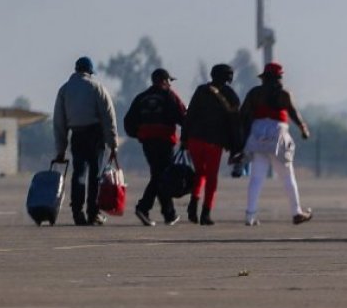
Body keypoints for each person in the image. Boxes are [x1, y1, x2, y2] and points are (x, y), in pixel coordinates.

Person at [239, 62, 313, 226]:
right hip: (278, 133)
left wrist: (242, 137)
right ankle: (296, 212)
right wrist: (303, 128)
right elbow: (293, 112)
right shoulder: (284, 94)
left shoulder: (255, 93)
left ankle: (250, 216)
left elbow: (243, 114)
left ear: (264, 78)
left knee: (256, 177)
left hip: (258, 133)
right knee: (287, 176)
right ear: (279, 77)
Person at [52, 56, 119, 226]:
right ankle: (93, 213)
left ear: (76, 69)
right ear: (90, 71)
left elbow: (59, 122)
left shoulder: (65, 90)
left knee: (79, 174)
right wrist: (113, 143)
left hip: (77, 136)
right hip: (95, 135)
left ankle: (77, 212)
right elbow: (108, 116)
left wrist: (61, 149)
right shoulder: (97, 87)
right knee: (96, 175)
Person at [123, 67, 188, 226]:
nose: (170, 84)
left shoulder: (141, 97)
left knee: (159, 174)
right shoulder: (169, 95)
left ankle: (169, 214)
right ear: (164, 81)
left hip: (148, 142)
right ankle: (143, 207)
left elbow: (128, 122)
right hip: (165, 141)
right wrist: (186, 136)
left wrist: (139, 134)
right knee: (161, 176)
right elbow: (183, 116)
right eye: (169, 81)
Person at [181, 63, 243, 225]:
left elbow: (190, 115)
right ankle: (206, 213)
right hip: (214, 142)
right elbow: (235, 122)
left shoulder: (201, 90)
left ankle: (193, 203)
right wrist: (236, 146)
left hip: (195, 139)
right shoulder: (230, 95)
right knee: (211, 177)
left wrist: (184, 139)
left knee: (199, 172)